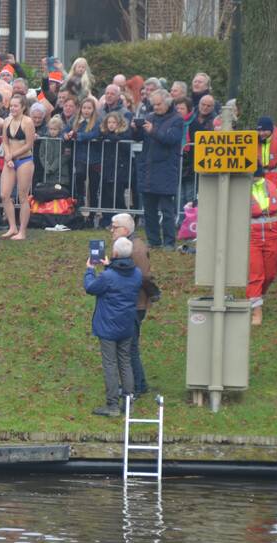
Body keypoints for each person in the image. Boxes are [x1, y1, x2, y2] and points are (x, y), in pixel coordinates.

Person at [85, 236, 142, 417]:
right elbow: (120, 278)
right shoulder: (137, 274)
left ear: (115, 253)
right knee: (125, 362)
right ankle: (128, 402)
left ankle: (112, 406)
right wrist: (109, 267)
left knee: (110, 364)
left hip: (108, 327)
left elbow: (91, 288)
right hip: (126, 325)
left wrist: (89, 270)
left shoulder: (108, 276)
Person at [133, 89, 182, 249]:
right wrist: (135, 129)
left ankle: (169, 242)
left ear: (167, 103)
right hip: (148, 169)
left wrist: (153, 131)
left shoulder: (177, 120)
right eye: (154, 104)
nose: (156, 107)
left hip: (166, 169)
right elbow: (138, 138)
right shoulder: (149, 117)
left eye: (159, 104)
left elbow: (171, 139)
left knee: (167, 210)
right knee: (149, 210)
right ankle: (154, 240)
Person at [248, 166, 277, 326]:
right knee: (256, 274)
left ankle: (256, 298)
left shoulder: (272, 188)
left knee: (270, 274)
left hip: (272, 236)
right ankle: (256, 311)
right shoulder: (241, 189)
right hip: (251, 237)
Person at [110, 214, 153, 394]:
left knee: (130, 347)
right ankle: (139, 382)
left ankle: (138, 385)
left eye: (114, 227)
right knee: (130, 346)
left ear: (125, 231)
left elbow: (143, 277)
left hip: (135, 305)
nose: (111, 230)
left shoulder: (136, 250)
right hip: (133, 303)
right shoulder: (129, 246)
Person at [0, 94, 36, 240]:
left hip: (24, 160)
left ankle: (22, 231)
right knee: (4, 194)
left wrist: (13, 155)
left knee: (22, 196)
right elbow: (5, 141)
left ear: (23, 107)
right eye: (11, 105)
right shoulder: (7, 121)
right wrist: (8, 156)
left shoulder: (27, 122)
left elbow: (29, 144)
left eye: (16, 106)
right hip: (11, 160)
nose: (13, 108)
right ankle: (12, 227)